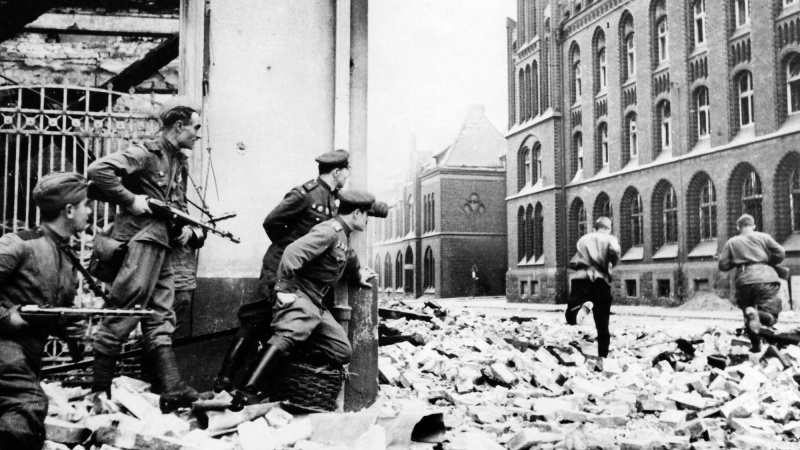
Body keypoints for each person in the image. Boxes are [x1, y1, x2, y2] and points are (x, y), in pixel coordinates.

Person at [87, 96, 204, 409]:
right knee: (124, 309)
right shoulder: (146, 153)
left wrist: (182, 227)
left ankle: (172, 387)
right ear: (178, 126)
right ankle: (99, 391)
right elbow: (98, 171)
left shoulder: (179, 159)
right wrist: (129, 199)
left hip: (162, 242)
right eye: (195, 128)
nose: (198, 135)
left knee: (161, 314)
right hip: (139, 242)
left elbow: (175, 201)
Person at [228, 190, 386, 411]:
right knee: (289, 333)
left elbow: (347, 256)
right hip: (302, 293)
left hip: (317, 301)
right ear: (358, 213)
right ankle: (247, 392)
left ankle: (287, 363)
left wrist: (358, 274)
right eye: (367, 215)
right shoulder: (328, 231)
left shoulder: (341, 234)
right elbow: (292, 252)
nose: (368, 220)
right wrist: (283, 289)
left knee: (342, 351)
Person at [213, 149, 350, 393]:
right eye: (347, 171)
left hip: (298, 274)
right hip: (280, 267)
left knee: (272, 321)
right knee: (258, 316)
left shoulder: (332, 199)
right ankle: (225, 378)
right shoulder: (306, 194)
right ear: (337, 171)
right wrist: (288, 246)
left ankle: (246, 386)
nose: (348, 176)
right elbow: (271, 222)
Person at [0, 172, 92, 449]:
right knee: (27, 404)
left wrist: (70, 329)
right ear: (68, 210)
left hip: (24, 357)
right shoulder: (19, 245)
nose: (89, 211)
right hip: (6, 349)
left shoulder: (64, 255)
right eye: (85, 204)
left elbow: (49, 311)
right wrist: (8, 317)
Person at [718, 214, 786, 352]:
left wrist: (738, 261)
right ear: (753, 226)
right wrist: (766, 260)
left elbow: (723, 265)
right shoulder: (763, 237)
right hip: (765, 278)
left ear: (738, 227)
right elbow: (781, 253)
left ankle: (756, 347)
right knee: (771, 316)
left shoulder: (732, 242)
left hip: (744, 280)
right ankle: (759, 314)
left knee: (748, 315)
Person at [565, 217, 621, 362]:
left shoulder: (583, 239)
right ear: (608, 228)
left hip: (581, 279)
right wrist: (609, 264)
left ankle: (579, 308)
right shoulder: (610, 239)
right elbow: (615, 251)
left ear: (594, 228)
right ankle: (603, 357)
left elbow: (574, 260)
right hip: (600, 281)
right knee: (602, 324)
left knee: (570, 314)